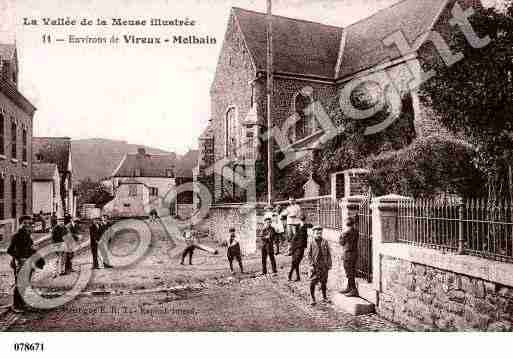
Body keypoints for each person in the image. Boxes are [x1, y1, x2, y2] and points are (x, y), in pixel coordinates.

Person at [7, 216, 40, 313]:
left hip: (28, 261)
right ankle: (16, 305)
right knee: (19, 284)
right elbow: (10, 250)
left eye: (29, 223)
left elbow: (29, 248)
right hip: (20, 263)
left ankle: (22, 303)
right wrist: (19, 258)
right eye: (25, 223)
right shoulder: (17, 235)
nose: (27, 225)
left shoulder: (27, 234)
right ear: (20, 223)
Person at [307, 225, 332, 306]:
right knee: (313, 282)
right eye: (317, 233)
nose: (319, 234)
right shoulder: (311, 242)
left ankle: (324, 297)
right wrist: (311, 265)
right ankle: (312, 298)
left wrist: (329, 264)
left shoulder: (325, 241)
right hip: (315, 265)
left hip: (324, 265)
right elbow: (309, 254)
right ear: (314, 233)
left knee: (324, 281)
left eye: (320, 233)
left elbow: (328, 253)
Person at [339, 216, 359, 297]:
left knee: (349, 273)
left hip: (348, 255)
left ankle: (353, 289)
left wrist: (342, 234)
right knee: (351, 272)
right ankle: (349, 287)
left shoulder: (346, 233)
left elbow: (341, 242)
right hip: (353, 254)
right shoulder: (356, 231)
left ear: (346, 224)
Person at [288, 214, 310, 282]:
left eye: (303, 219)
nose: (302, 221)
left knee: (295, 261)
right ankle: (297, 277)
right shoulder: (297, 226)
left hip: (301, 247)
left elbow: (311, 226)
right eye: (301, 220)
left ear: (305, 220)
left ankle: (290, 275)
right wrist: (291, 247)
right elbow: (293, 237)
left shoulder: (306, 226)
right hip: (295, 246)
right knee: (295, 262)